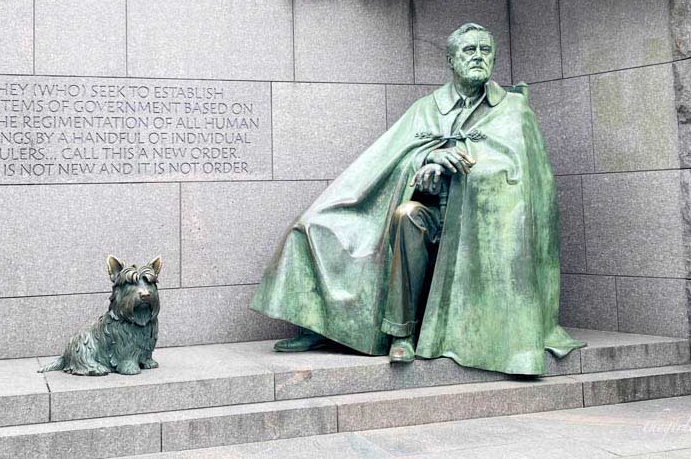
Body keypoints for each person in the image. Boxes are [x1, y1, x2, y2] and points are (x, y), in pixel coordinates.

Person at [250, 23, 584, 375]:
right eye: (469, 51)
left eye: (485, 51)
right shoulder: (427, 108)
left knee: (410, 216)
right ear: (451, 60)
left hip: (479, 226)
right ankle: (382, 332)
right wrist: (426, 161)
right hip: (431, 213)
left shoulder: (513, 109)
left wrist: (461, 166)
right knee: (360, 221)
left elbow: (525, 178)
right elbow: (389, 159)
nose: (478, 57)